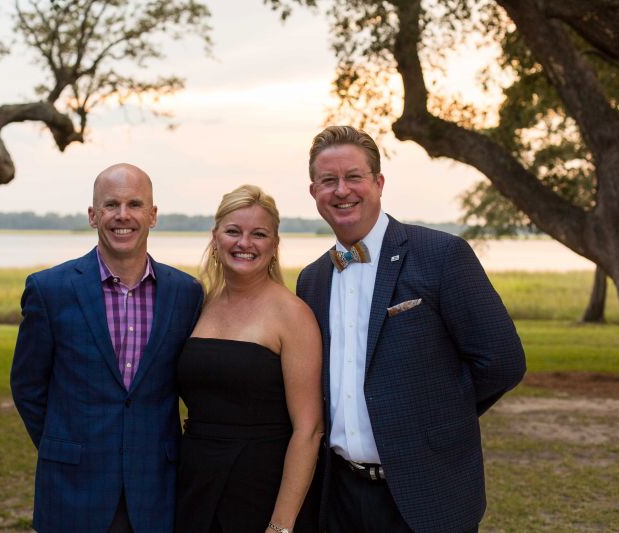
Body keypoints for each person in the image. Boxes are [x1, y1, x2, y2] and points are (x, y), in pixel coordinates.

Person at [296, 126, 527, 533]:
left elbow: (502, 362)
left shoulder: (440, 255)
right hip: (339, 498)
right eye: (328, 181)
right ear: (314, 191)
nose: (341, 190)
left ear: (378, 182)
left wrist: (436, 418)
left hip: (428, 491)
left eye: (354, 177)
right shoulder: (313, 280)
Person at [11, 163, 203, 533]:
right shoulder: (50, 289)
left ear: (153, 215)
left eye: (134, 204)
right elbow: (27, 387)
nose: (123, 216)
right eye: (111, 204)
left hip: (156, 488)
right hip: (71, 487)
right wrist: (65, 445)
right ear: (92, 215)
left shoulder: (186, 293)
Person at [175, 185, 324, 533]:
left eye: (259, 234)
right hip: (194, 484)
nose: (245, 243)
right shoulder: (201, 303)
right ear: (215, 238)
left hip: (262, 490)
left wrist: (281, 525)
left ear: (274, 245)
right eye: (233, 231)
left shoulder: (293, 315)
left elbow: (309, 430)